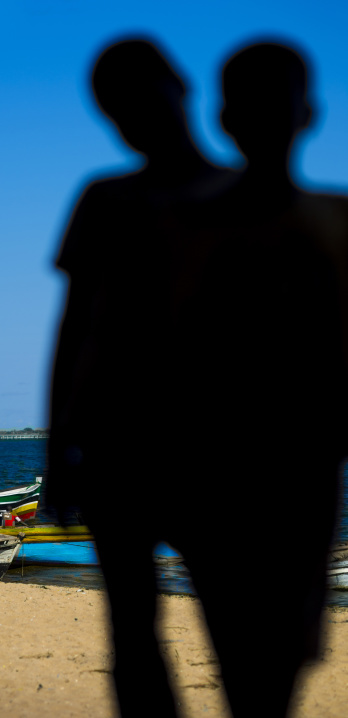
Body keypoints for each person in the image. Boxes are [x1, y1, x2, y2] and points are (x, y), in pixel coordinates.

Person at [45, 38, 233, 718]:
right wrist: (57, 453)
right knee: (133, 634)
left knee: (236, 626)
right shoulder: (103, 200)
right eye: (115, 110)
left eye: (136, 100)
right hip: (113, 448)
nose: (130, 121)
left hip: (219, 449)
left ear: (179, 86)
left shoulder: (246, 199)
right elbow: (71, 333)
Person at [160, 41, 348, 718]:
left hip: (296, 478)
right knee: (253, 664)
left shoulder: (332, 220)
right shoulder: (189, 226)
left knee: (274, 663)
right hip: (222, 477)